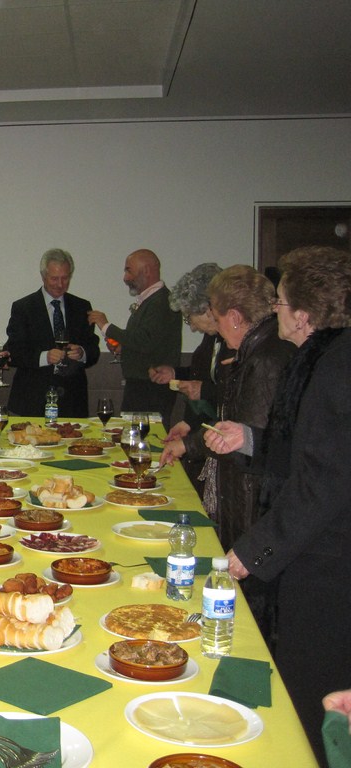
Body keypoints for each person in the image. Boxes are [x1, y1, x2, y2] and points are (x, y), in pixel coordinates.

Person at [205, 246, 351, 763]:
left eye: (281, 302)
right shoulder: (318, 359)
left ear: (305, 314)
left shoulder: (337, 368)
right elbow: (299, 449)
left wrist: (256, 549)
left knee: (316, 693)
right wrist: (246, 437)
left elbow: (323, 481)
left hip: (328, 559)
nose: (275, 310)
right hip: (311, 545)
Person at [162, 265, 293, 645]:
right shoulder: (254, 351)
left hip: (253, 499)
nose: (216, 329)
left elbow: (243, 441)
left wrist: (190, 445)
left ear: (235, 317)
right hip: (246, 495)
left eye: (217, 319)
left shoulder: (264, 358)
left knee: (250, 611)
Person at [150, 263, 231, 492]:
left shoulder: (234, 342)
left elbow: (227, 390)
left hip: (223, 442)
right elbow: (202, 375)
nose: (192, 327)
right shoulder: (211, 337)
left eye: (189, 317)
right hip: (205, 434)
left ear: (208, 308)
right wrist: (175, 374)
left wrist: (203, 391)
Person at [88, 248, 182, 424]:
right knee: (132, 434)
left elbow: (144, 341)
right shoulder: (152, 300)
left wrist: (106, 326)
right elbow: (149, 342)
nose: (125, 278)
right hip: (143, 385)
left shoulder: (161, 301)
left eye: (128, 270)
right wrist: (124, 349)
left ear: (146, 270)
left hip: (151, 387)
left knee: (145, 436)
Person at [4, 248, 100, 417]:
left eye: (65, 278)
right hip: (32, 400)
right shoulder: (24, 307)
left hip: (72, 401)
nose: (60, 284)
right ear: (43, 276)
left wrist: (82, 353)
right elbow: (13, 352)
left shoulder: (82, 306)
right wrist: (45, 357)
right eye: (54, 278)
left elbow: (93, 349)